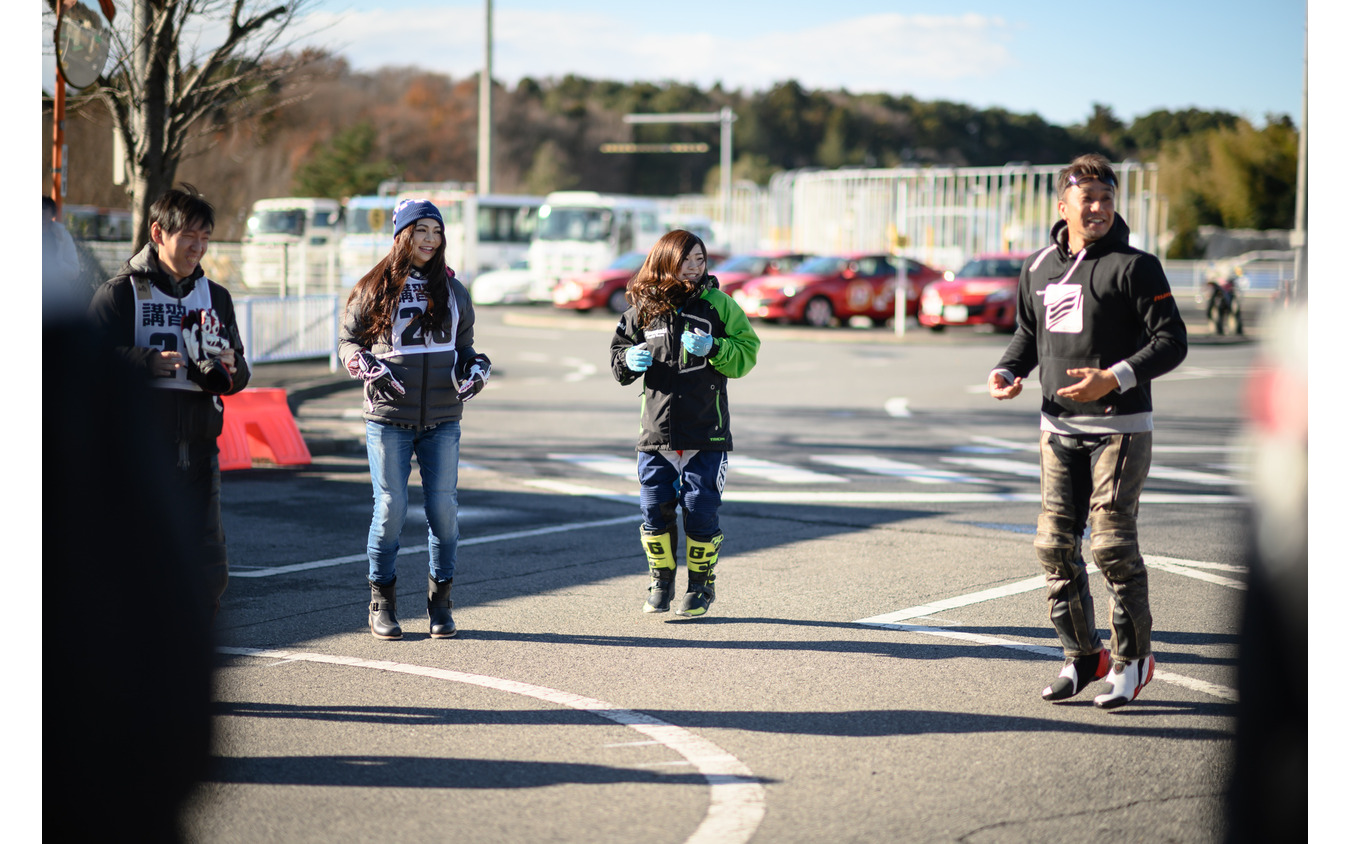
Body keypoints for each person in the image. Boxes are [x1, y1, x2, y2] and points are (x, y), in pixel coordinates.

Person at [987, 153, 1187, 710]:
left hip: (1119, 427)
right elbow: (1029, 334)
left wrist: (1116, 378)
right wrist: (1008, 370)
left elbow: (1172, 341)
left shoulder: (1135, 266)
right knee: (1053, 547)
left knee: (1112, 546)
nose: (1098, 208)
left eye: (1106, 198)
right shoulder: (1037, 267)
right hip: (1057, 427)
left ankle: (1133, 659)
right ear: (1063, 205)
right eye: (1087, 199)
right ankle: (1083, 656)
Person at [88, 184, 250, 620]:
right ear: (158, 233)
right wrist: (144, 363)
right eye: (188, 237)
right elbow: (85, 367)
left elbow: (241, 376)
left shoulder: (215, 297)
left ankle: (190, 662)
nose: (198, 247)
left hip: (200, 447)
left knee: (205, 564)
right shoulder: (120, 292)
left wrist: (231, 368)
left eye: (205, 239)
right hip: (137, 448)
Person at [338, 198, 490, 640]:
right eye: (420, 229)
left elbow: (466, 349)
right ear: (402, 234)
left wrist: (477, 368)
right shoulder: (374, 287)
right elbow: (347, 343)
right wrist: (363, 364)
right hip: (388, 417)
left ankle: (440, 605)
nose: (429, 239)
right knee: (390, 510)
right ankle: (380, 603)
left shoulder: (454, 290)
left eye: (436, 231)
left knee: (444, 512)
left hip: (444, 416)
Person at [609, 229, 760, 618]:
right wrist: (628, 361)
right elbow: (617, 353)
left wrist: (717, 349)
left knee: (700, 507)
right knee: (654, 508)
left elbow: (748, 352)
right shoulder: (643, 307)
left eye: (700, 260)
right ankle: (661, 583)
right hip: (656, 433)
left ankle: (700, 587)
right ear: (665, 260)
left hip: (707, 431)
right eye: (686, 260)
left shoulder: (720, 305)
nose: (694, 268)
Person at [43, 195, 84, 315]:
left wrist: (56, 264)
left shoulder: (63, 236)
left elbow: (74, 271)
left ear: (52, 213)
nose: (41, 212)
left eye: (45, 209)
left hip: (57, 298)